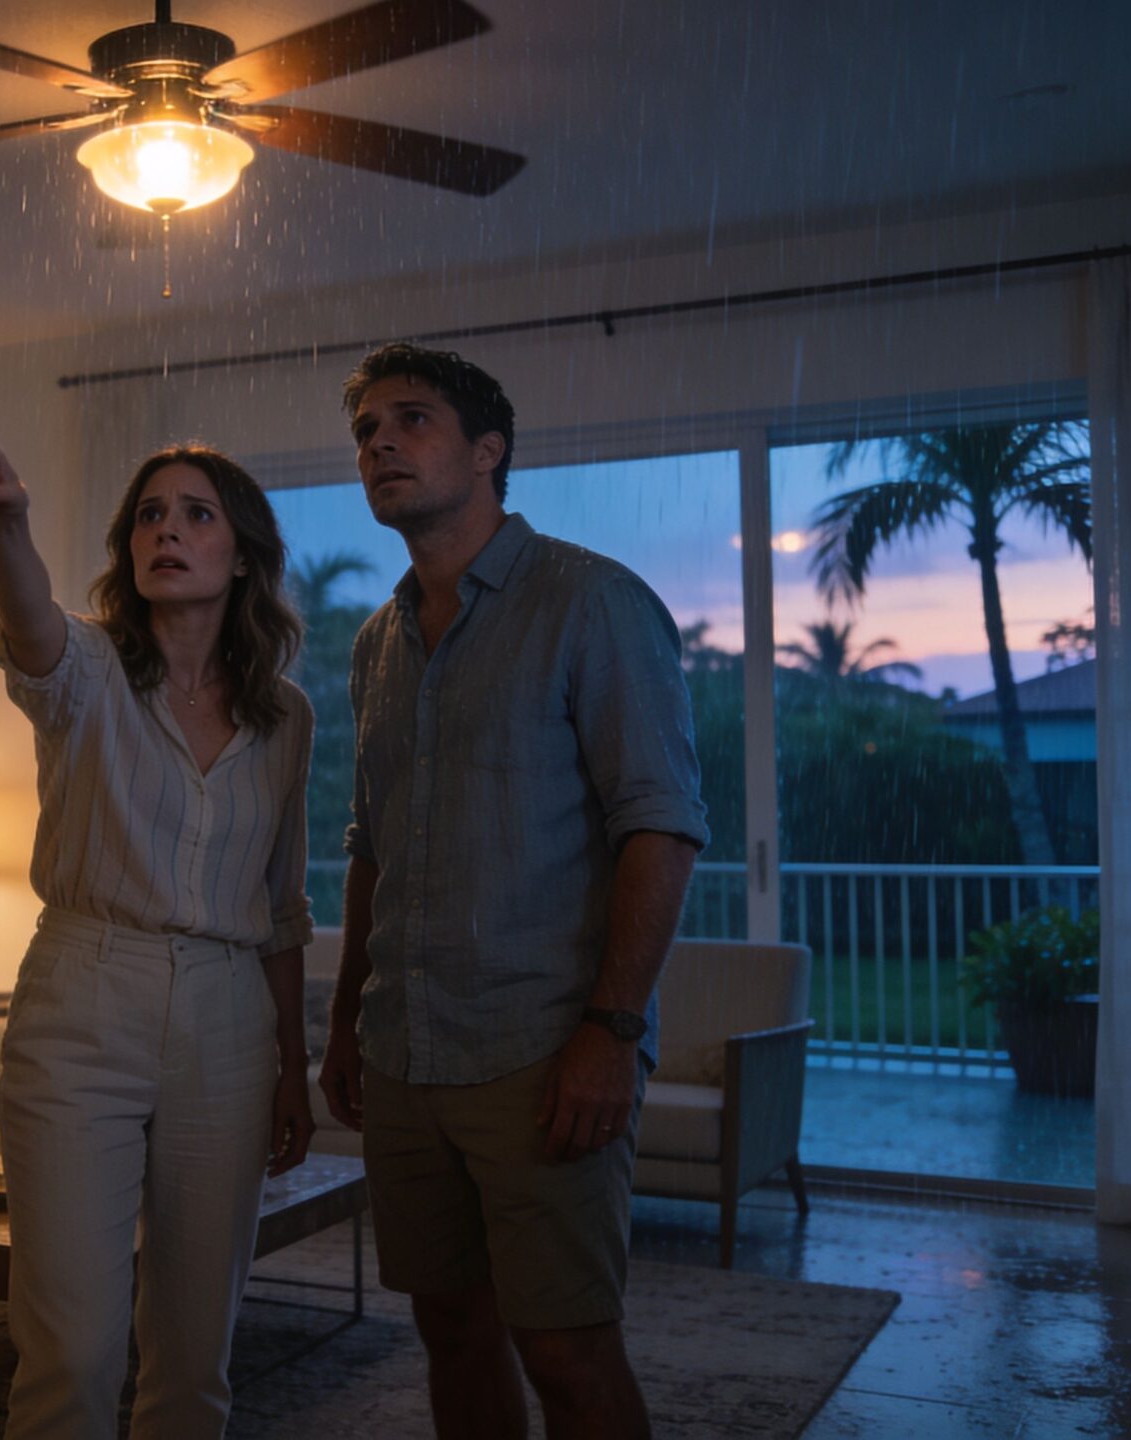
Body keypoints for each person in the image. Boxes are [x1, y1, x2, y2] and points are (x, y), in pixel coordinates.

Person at [315, 344, 709, 1440]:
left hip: (541, 1051)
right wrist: (348, 1015)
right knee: (449, 1328)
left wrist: (609, 1032)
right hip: (406, 1052)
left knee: (570, 1352)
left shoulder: (593, 602)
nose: (380, 443)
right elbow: (371, 844)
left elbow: (662, 828)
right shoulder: (375, 642)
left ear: (488, 452)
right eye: (365, 431)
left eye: (411, 420)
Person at [0, 400, 316, 1440]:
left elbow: (282, 904)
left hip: (230, 1020)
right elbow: (28, 622)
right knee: (73, 1349)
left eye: (196, 516)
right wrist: (3, 523)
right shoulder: (88, 672)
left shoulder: (287, 715)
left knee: (196, 1355)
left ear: (242, 555)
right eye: (148, 516)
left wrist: (292, 1060)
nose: (165, 532)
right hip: (81, 998)